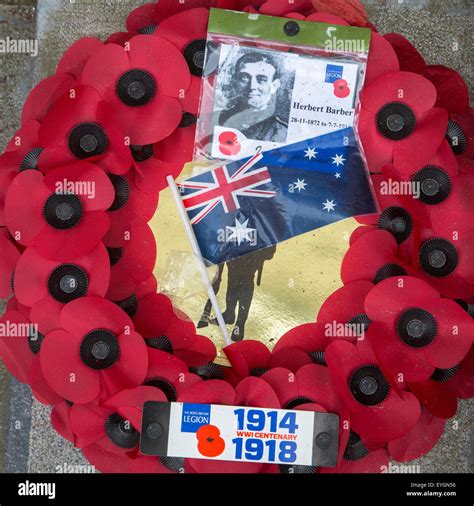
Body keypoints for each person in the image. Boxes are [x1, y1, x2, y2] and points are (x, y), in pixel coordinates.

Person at [198, 246, 276, 342]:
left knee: (246, 278)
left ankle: (240, 322)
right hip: (235, 245)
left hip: (253, 248)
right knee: (232, 276)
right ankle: (229, 313)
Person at [218, 52, 288, 143]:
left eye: (261, 79)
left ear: (274, 85)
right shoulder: (218, 119)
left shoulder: (281, 131)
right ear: (235, 81)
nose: (252, 86)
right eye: (244, 78)